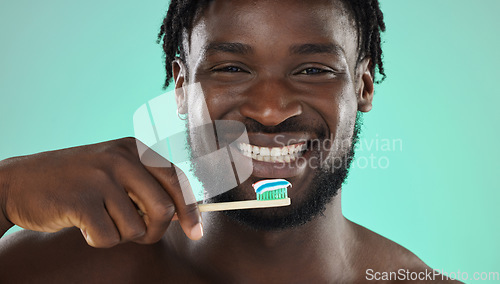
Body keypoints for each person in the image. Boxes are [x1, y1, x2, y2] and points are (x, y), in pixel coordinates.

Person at [0, 0, 461, 283]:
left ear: (362, 88)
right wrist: (4, 193)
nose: (270, 109)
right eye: (231, 69)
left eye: (313, 70)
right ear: (181, 88)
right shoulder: (52, 271)